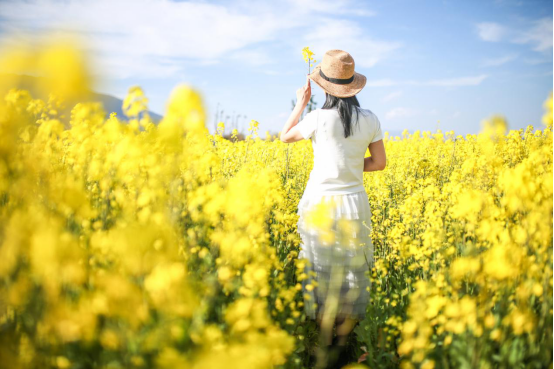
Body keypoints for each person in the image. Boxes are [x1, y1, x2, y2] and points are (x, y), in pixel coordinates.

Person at [280, 49, 387, 368]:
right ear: (353, 85)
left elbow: (284, 137)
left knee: (320, 267)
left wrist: (301, 102)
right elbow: (379, 163)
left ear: (325, 87)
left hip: (320, 203)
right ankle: (346, 341)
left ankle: (322, 342)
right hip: (354, 202)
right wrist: (351, 166)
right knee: (352, 269)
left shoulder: (316, 118)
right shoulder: (370, 119)